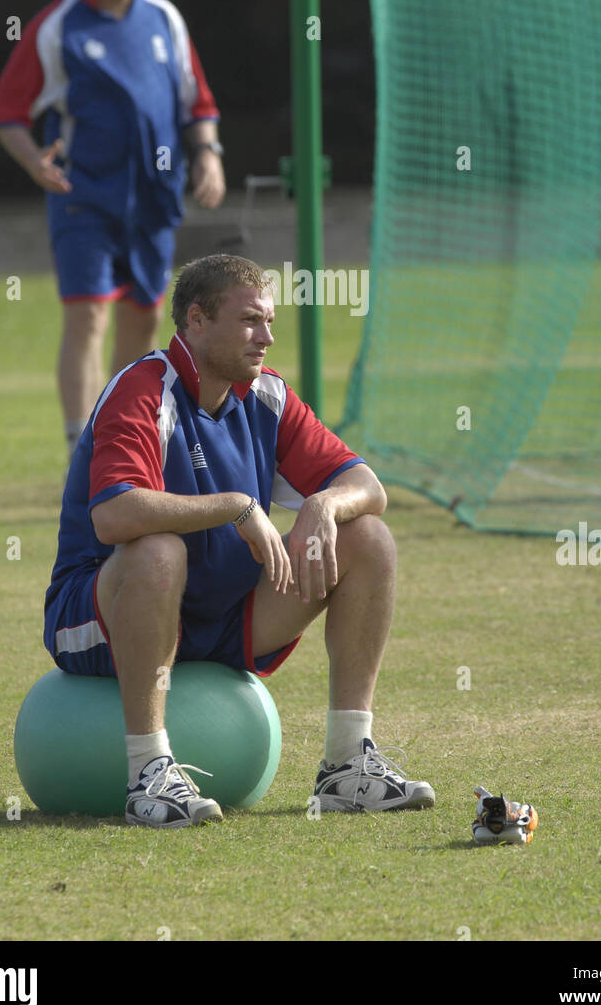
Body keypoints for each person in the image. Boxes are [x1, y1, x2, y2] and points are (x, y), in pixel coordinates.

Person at [43, 253, 435, 827]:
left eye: (270, 321)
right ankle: (148, 776)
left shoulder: (267, 395)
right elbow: (114, 516)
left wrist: (325, 504)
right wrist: (237, 507)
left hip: (222, 617)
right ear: (196, 321)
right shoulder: (144, 389)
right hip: (97, 620)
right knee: (158, 551)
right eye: (252, 321)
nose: (268, 337)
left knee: (368, 538)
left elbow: (366, 485)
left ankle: (347, 764)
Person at [0, 0, 226, 458]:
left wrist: (208, 155)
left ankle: (118, 444)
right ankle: (80, 451)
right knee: (87, 315)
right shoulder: (59, 24)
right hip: (84, 198)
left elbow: (197, 103)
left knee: (141, 320)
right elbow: (6, 113)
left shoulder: (164, 17)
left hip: (155, 201)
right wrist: (33, 162)